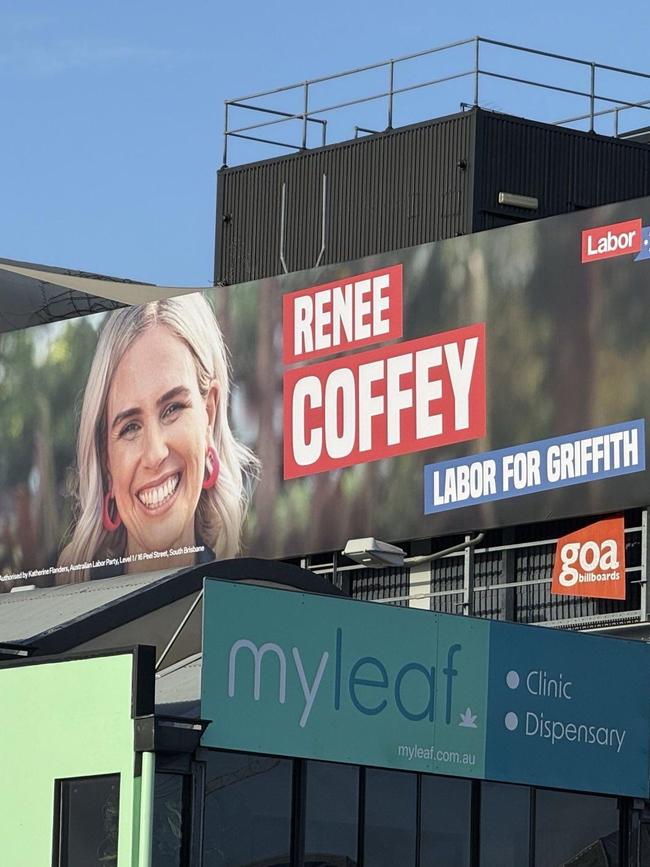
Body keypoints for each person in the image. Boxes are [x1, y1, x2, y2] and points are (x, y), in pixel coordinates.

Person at [58, 293, 259, 581]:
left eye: (172, 409)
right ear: (106, 459)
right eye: (130, 427)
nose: (154, 453)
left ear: (209, 413)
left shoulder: (245, 595)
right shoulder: (66, 606)